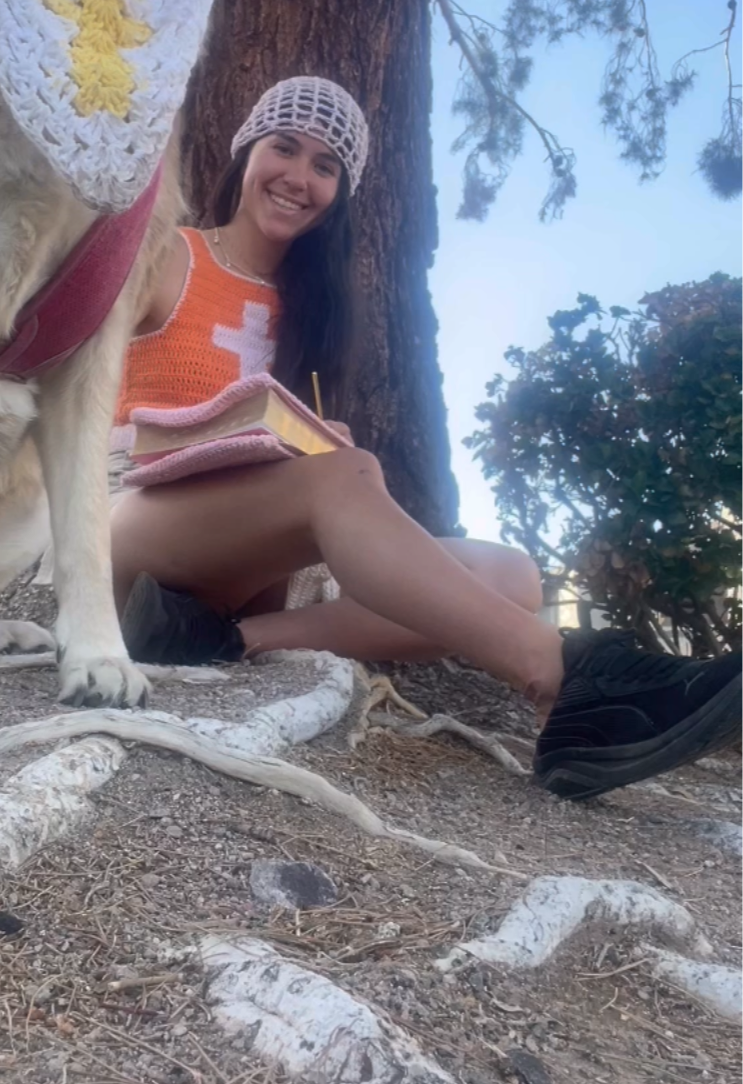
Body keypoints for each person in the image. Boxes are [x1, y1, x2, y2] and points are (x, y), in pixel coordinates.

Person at [107, 76, 743, 801]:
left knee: (511, 575)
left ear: (340, 191)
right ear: (245, 151)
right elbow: (73, 371)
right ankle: (565, 675)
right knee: (348, 473)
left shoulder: (315, 313)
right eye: (284, 147)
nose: (299, 176)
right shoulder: (172, 256)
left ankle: (216, 641)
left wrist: (306, 445)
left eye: (325, 165)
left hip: (242, 577)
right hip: (138, 523)